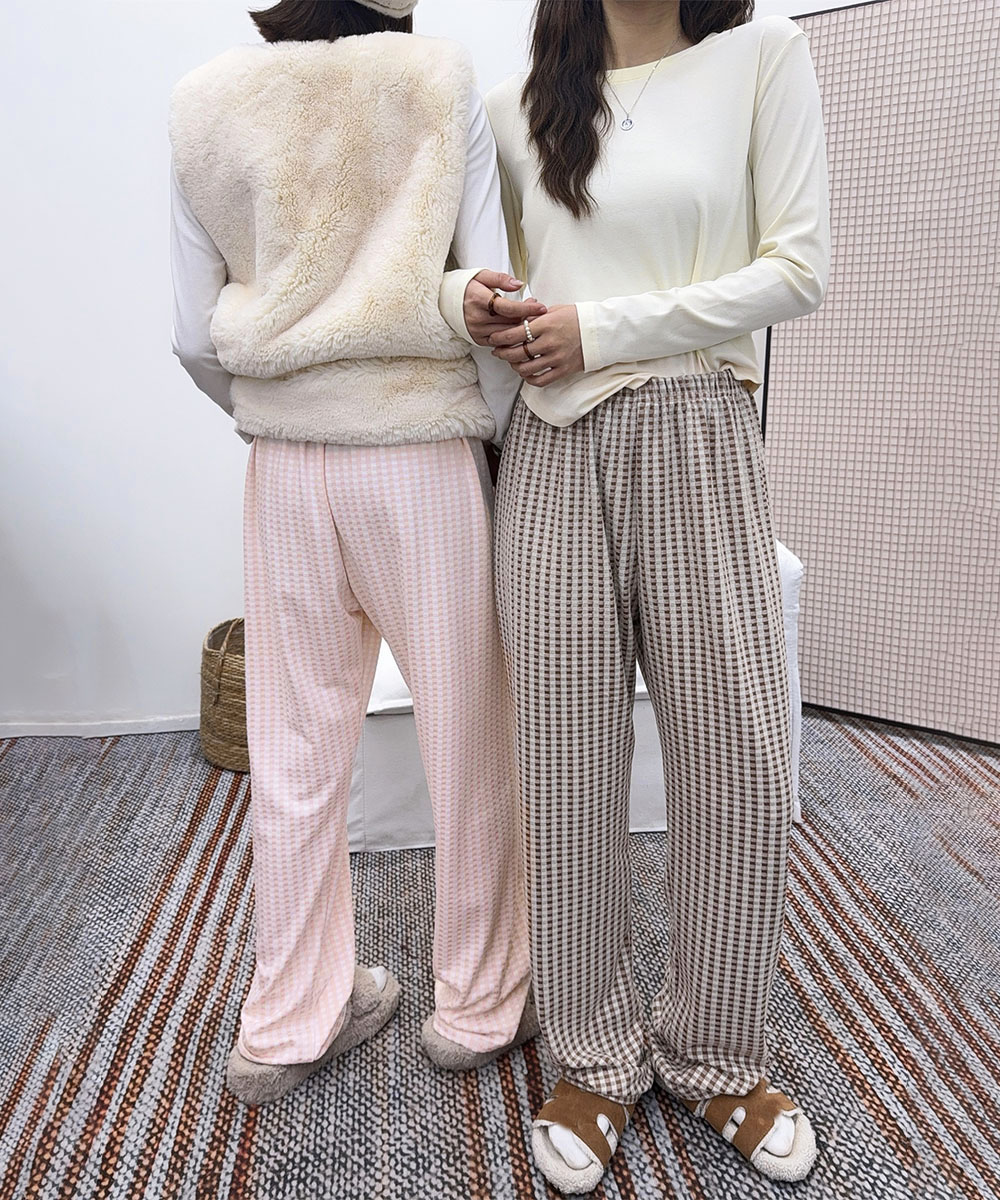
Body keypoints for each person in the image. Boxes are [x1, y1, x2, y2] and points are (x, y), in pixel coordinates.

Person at [439, 0, 830, 1190]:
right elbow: (468, 282)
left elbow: (797, 270)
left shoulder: (760, 57)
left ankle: (715, 1054)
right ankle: (594, 1056)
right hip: (551, 452)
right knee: (564, 765)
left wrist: (599, 330)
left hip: (700, 434)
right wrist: (472, 306)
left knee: (740, 760)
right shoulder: (511, 111)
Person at [169, 0, 543, 1106]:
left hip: (287, 467)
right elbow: (496, 302)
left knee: (291, 750)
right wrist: (493, 442)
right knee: (471, 739)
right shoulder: (436, 79)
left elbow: (190, 333)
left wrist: (277, 410)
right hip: (420, 456)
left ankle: (288, 1021)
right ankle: (478, 1005)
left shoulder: (202, 104)